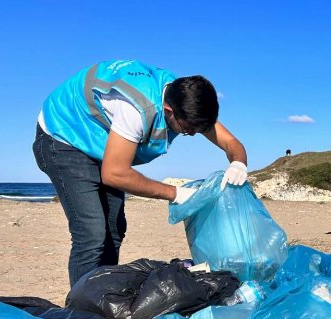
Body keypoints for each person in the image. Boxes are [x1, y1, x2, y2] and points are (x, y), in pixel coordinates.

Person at [33, 60, 249, 287]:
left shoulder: (187, 98)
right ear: (169, 111)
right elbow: (115, 174)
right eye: (187, 129)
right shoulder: (136, 109)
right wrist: (175, 193)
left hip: (99, 142)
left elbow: (230, 141)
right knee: (92, 234)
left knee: (114, 230)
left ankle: (101, 295)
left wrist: (238, 163)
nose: (192, 134)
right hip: (63, 135)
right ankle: (82, 312)